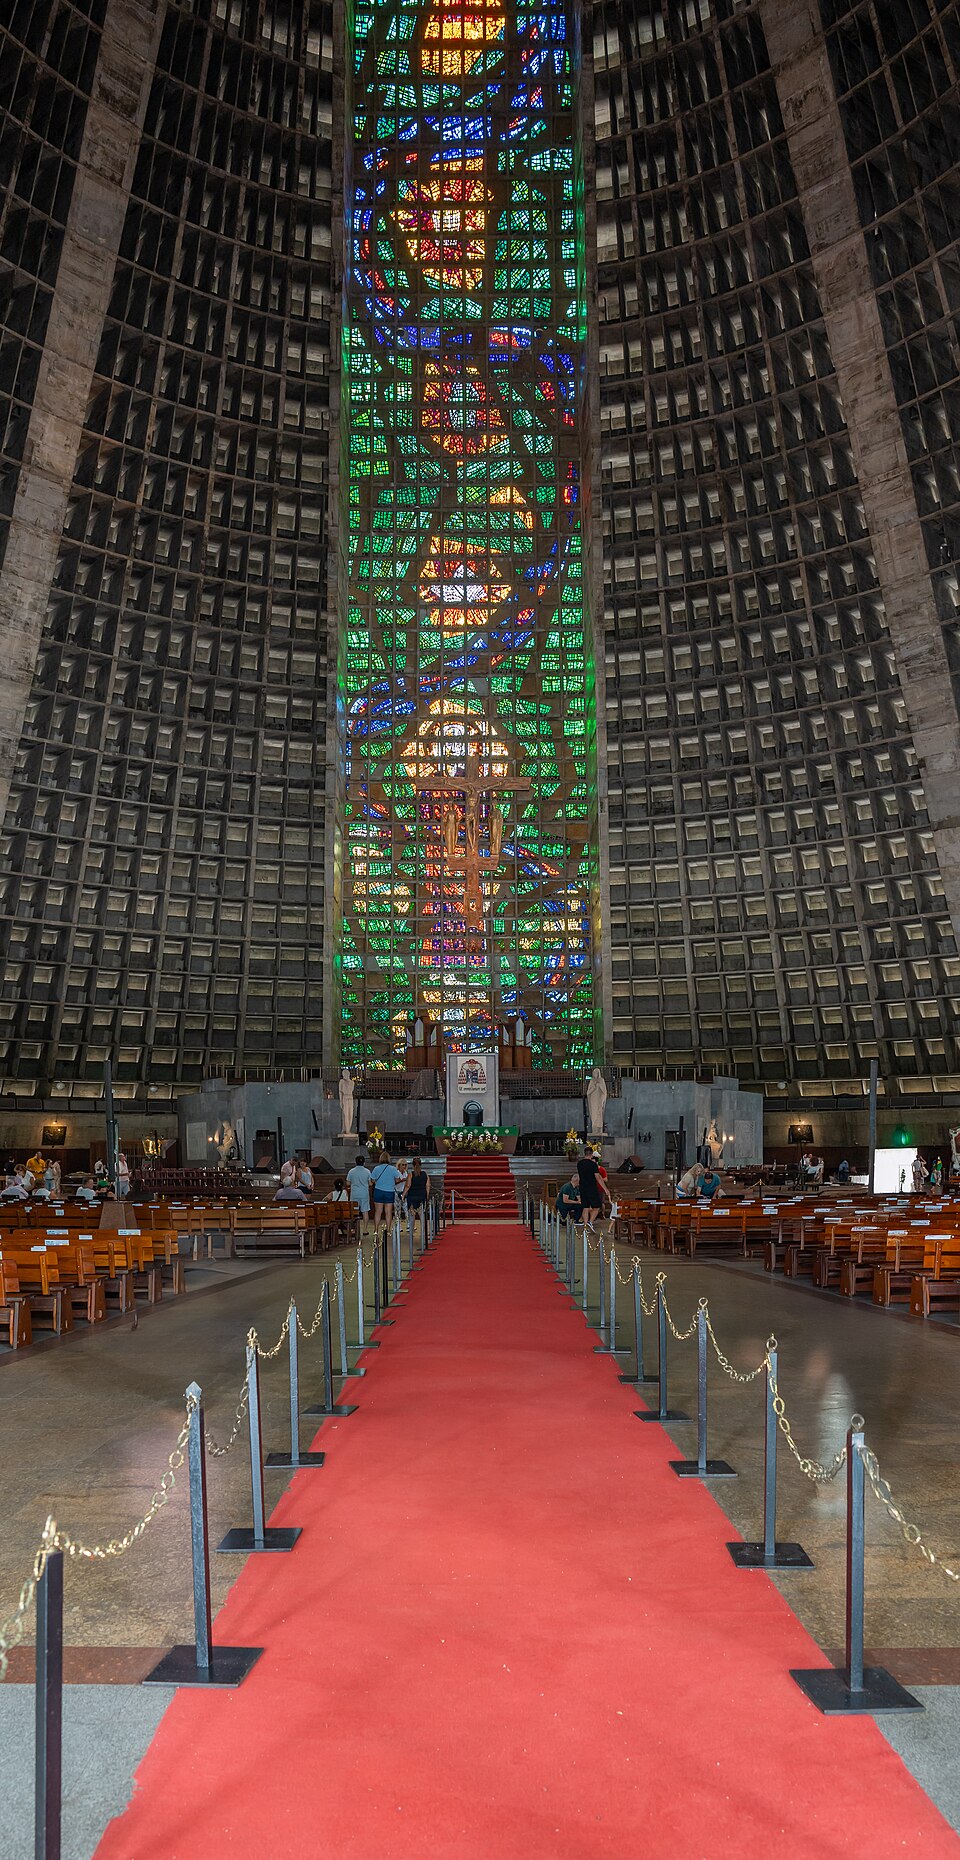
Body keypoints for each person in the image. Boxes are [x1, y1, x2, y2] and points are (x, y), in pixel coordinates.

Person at [575, 1150, 610, 1230]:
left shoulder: (580, 1164)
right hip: (592, 1187)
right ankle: (590, 1222)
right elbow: (598, 1178)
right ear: (591, 1155)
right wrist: (605, 1189)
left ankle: (585, 1224)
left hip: (583, 1187)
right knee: (597, 1206)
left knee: (585, 1207)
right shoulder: (593, 1164)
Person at [370, 1152, 402, 1234]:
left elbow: (372, 1180)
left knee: (378, 1211)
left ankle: (376, 1230)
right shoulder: (393, 1169)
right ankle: (388, 1230)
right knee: (388, 1212)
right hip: (389, 1192)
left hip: (378, 1191)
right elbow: (398, 1179)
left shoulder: (376, 1168)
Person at [405, 1156, 431, 1235]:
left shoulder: (411, 1175)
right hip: (421, 1197)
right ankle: (423, 1234)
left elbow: (407, 1186)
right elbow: (428, 1185)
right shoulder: (424, 1174)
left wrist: (403, 1195)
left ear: (412, 1165)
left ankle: (411, 1233)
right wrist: (426, 1195)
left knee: (412, 1218)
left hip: (412, 1198)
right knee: (422, 1217)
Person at [346, 1154, 372, 1223]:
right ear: (364, 1162)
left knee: (354, 1211)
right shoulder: (367, 1171)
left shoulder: (351, 1171)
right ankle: (365, 1230)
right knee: (365, 1211)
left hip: (354, 1193)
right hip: (364, 1194)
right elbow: (370, 1184)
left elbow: (348, 1183)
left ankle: (354, 1228)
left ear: (356, 1162)